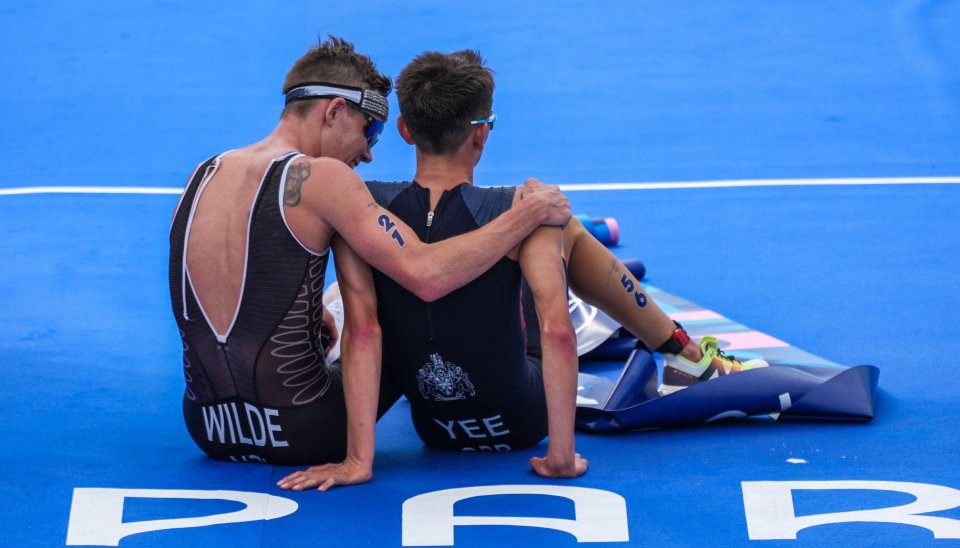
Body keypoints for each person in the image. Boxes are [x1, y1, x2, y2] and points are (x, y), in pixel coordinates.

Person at [277, 50, 766, 491]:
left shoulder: (361, 203)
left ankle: (671, 341)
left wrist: (357, 458)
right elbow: (556, 330)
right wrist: (560, 456)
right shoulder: (518, 205)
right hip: (518, 421)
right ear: (482, 132)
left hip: (433, 427)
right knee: (556, 224)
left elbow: (364, 329)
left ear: (403, 130)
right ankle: (682, 350)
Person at [169, 38, 572, 466]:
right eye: (370, 131)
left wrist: (309, 317)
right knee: (397, 320)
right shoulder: (322, 177)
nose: (367, 153)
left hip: (208, 428)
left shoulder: (206, 171)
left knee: (342, 304)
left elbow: (219, 278)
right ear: (334, 111)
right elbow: (426, 275)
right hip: (305, 429)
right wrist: (528, 215)